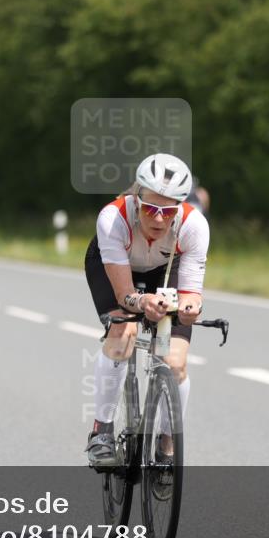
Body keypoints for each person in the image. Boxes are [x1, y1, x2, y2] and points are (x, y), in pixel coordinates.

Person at [84, 153, 209, 466]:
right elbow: (125, 294)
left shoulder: (194, 225)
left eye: (168, 212)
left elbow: (191, 292)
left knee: (175, 361)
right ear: (136, 200)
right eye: (150, 208)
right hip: (114, 266)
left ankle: (168, 444)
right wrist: (142, 303)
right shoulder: (112, 218)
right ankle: (102, 430)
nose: (158, 219)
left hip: (165, 269)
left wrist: (190, 308)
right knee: (123, 332)